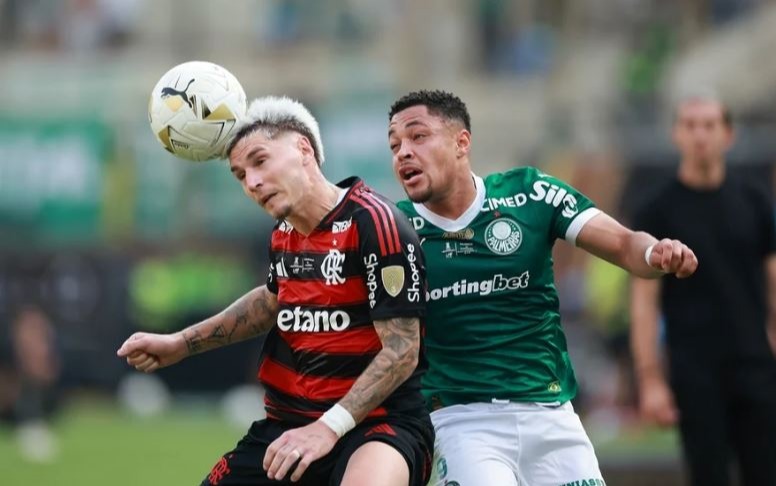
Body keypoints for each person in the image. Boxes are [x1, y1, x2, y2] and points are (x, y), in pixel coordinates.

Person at [385, 89, 698, 486]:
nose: (403, 153)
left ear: (461, 142)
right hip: (461, 421)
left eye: (418, 136)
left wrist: (655, 252)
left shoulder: (530, 194)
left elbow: (622, 244)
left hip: (550, 414)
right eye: (394, 145)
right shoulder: (393, 231)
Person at [117, 96, 434, 486]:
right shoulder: (284, 233)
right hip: (290, 425)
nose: (251, 182)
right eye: (240, 175)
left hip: (378, 427)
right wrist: (181, 343)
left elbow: (403, 351)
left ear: (304, 150)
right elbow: (272, 300)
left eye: (260, 161)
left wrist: (328, 427)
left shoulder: (376, 224)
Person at [630, 93, 776, 486]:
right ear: (677, 134)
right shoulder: (656, 210)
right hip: (695, 371)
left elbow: (773, 279)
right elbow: (644, 302)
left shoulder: (756, 201)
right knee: (708, 476)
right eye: (690, 125)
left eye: (709, 125)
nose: (700, 135)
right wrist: (650, 379)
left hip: (756, 366)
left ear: (728, 134)